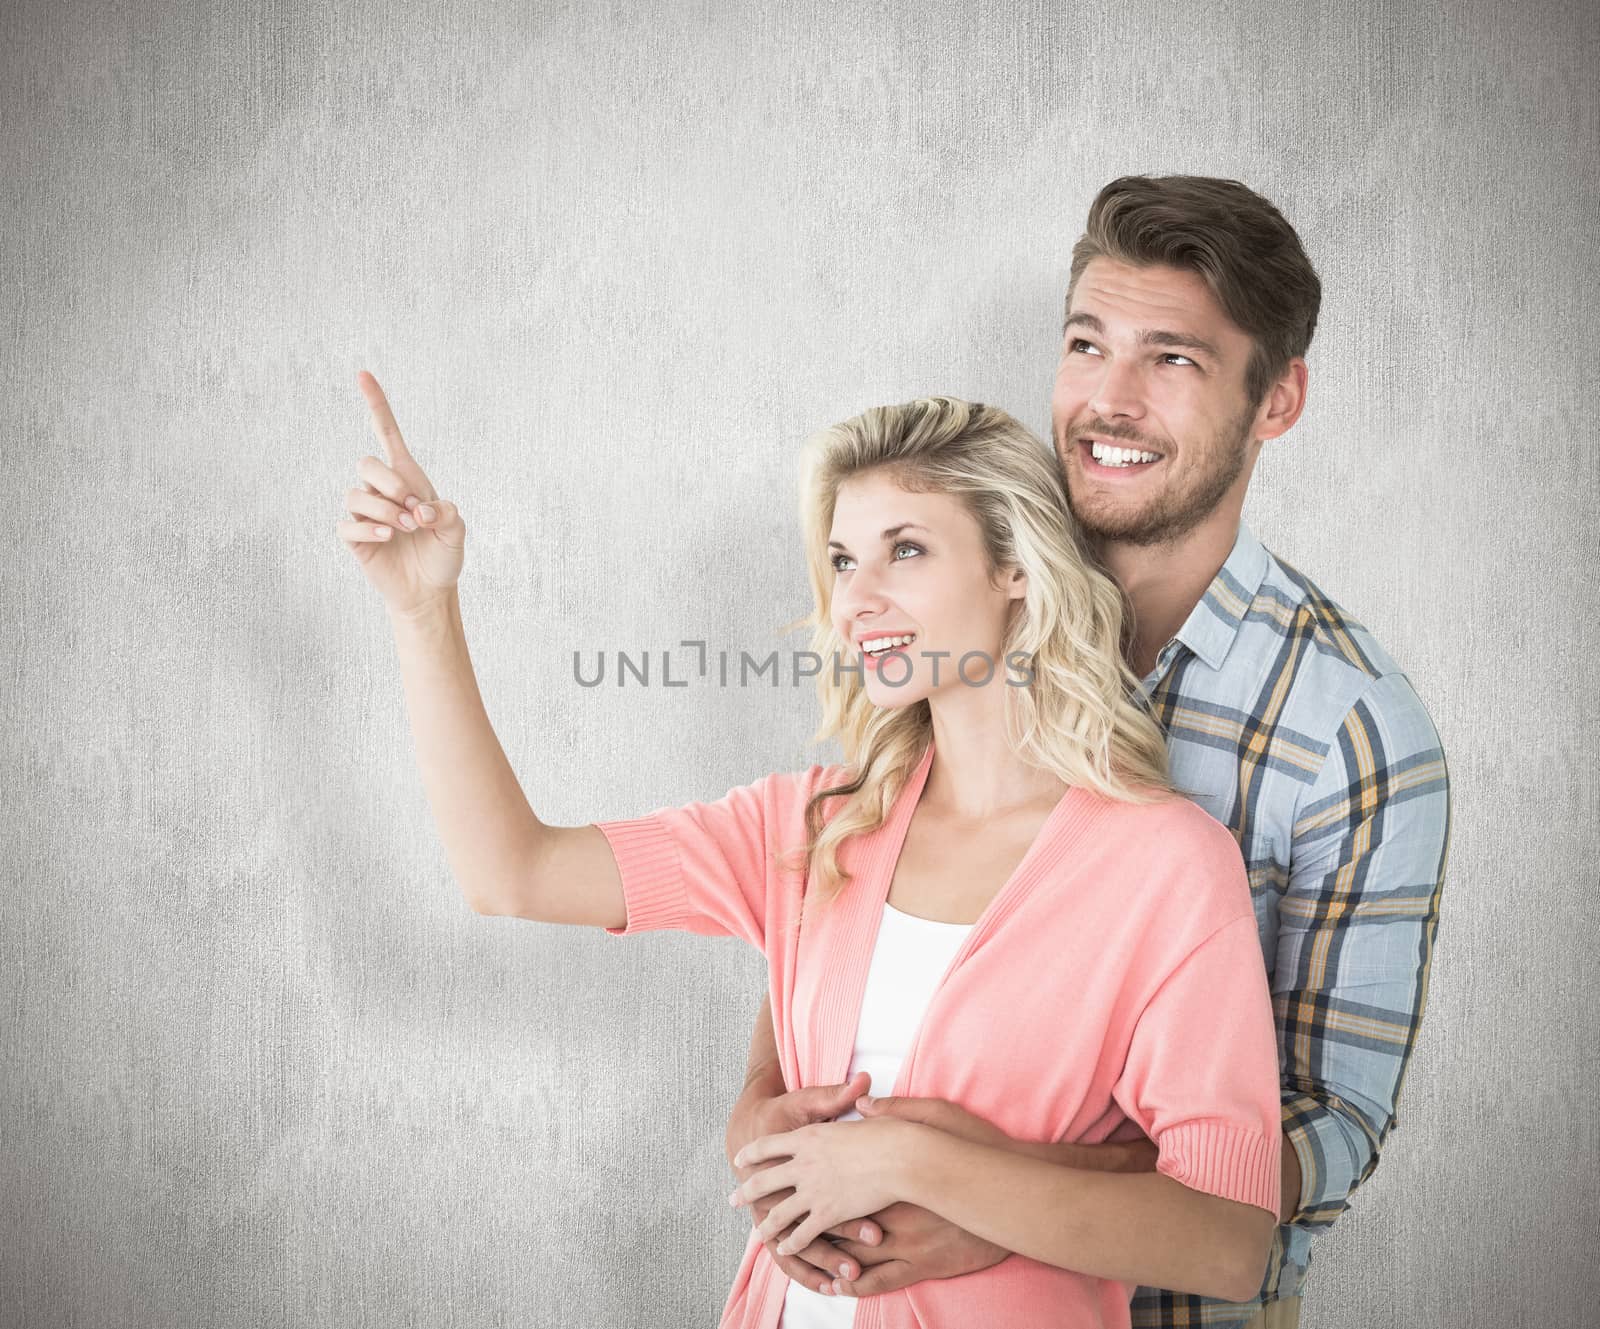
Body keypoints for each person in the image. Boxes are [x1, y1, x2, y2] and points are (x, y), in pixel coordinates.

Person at [337, 385, 1286, 1327]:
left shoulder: (1166, 865)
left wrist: (907, 1160)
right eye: (841, 559)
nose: (856, 599)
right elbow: (514, 871)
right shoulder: (812, 827)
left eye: (904, 550)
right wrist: (424, 609)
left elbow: (1228, 1241)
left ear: (1017, 570)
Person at [723, 176, 1453, 1329]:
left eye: (1172, 360)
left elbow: (1333, 1120)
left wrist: (999, 1200)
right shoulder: (956, 584)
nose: (1107, 401)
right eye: (1085, 343)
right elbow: (838, 900)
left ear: (1278, 401)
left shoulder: (1348, 732)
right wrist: (763, 1109)